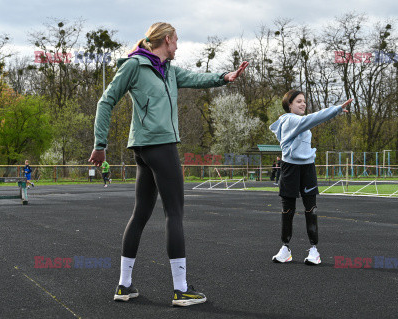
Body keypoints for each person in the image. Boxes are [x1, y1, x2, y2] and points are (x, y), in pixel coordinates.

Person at [88, 22, 248, 306]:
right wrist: (100, 144)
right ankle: (181, 289)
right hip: (158, 146)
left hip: (146, 149)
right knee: (174, 214)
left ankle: (124, 286)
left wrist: (225, 77)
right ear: (165, 40)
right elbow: (105, 101)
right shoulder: (134, 66)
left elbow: (198, 78)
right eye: (176, 41)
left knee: (141, 214)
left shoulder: (170, 71)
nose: (178, 46)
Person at [269, 89, 352, 265]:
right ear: (289, 105)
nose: (303, 104)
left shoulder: (300, 122)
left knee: (311, 209)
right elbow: (312, 119)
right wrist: (335, 110)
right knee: (288, 210)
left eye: (304, 101)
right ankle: (285, 248)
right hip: (290, 168)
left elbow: (308, 124)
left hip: (307, 168)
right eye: (298, 101)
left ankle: (314, 250)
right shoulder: (290, 120)